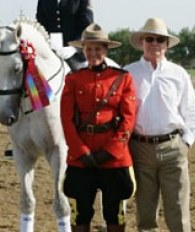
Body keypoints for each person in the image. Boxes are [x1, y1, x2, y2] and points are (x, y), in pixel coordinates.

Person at [124, 17, 195, 232]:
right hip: (140, 149)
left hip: (173, 148)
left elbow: (193, 113)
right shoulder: (129, 73)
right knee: (145, 214)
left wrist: (185, 144)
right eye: (150, 38)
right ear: (142, 42)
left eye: (160, 39)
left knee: (178, 211)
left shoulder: (179, 74)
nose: (155, 43)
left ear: (166, 44)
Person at [61, 23, 136, 232]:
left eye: (98, 48)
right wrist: (80, 151)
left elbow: (128, 119)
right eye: (89, 48)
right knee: (80, 214)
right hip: (81, 156)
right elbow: (66, 119)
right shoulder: (74, 79)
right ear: (83, 50)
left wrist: (111, 151)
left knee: (114, 215)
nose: (93, 53)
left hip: (113, 157)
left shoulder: (122, 78)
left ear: (106, 49)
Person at [36, 0, 94, 70]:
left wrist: (74, 47)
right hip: (51, 54)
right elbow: (40, 25)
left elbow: (87, 27)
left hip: (76, 56)